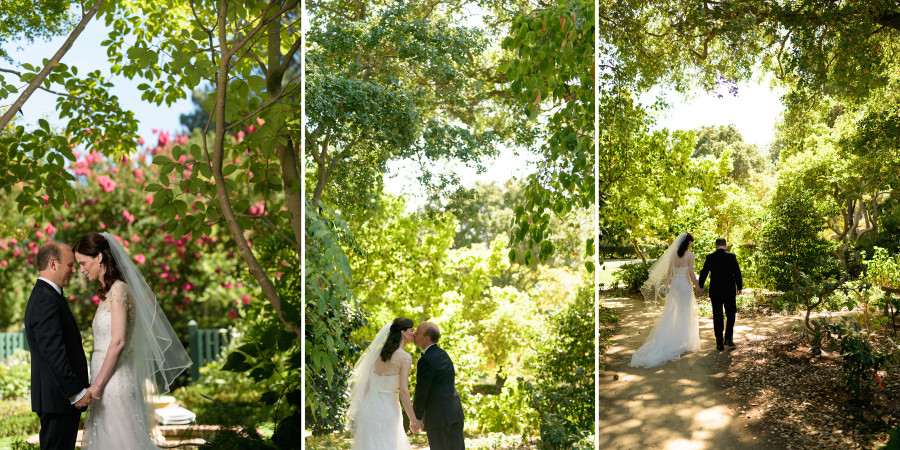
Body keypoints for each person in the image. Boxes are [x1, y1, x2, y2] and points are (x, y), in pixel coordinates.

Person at [73, 231, 192, 448]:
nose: (81, 270)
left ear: (99, 257)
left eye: (83, 263)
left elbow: (118, 342)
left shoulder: (119, 290)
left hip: (113, 381)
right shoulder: (109, 292)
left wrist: (97, 386)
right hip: (104, 380)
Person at [24, 242, 96, 449]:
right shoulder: (46, 299)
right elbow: (53, 353)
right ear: (53, 264)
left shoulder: (47, 296)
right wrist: (76, 393)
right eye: (70, 265)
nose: (75, 271)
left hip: (58, 401)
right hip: (59, 401)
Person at [630, 233, 704, 368]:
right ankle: (685, 341)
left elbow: (669, 272)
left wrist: (666, 286)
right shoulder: (690, 255)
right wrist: (698, 286)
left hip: (675, 286)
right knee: (685, 312)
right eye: (691, 242)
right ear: (687, 243)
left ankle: (673, 338)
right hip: (685, 286)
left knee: (673, 312)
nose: (691, 244)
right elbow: (691, 273)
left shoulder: (672, 254)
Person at [347, 317, 422, 449]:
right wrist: (413, 420)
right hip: (389, 410)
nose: (414, 333)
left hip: (370, 408)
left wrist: (363, 409)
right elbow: (404, 392)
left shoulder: (377, 354)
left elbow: (367, 385)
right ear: (403, 332)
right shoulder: (405, 357)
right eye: (411, 330)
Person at [411, 322, 465, 450]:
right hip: (455, 414)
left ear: (426, 339)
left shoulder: (426, 360)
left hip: (439, 418)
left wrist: (416, 418)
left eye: (417, 333)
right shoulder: (443, 354)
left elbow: (422, 391)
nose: (414, 334)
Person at [698, 237, 743, 351]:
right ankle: (728, 339)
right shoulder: (731, 256)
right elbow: (737, 272)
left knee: (717, 316)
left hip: (716, 291)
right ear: (725, 245)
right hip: (729, 291)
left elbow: (704, 273)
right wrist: (740, 287)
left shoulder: (710, 257)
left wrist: (700, 286)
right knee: (731, 314)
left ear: (715, 245)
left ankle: (719, 342)